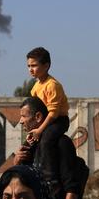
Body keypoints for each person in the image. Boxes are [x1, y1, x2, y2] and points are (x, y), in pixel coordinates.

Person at [15, 96, 97, 199]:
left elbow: (71, 187)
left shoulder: (61, 143)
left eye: (24, 116)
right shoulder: (31, 146)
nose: (21, 121)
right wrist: (18, 161)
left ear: (38, 117)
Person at [26, 47, 70, 184]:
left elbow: (54, 113)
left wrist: (39, 130)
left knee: (46, 140)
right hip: (45, 121)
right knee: (29, 142)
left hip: (58, 121)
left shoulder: (52, 85)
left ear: (46, 66)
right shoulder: (35, 87)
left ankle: (51, 177)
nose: (30, 69)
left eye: (34, 65)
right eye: (28, 66)